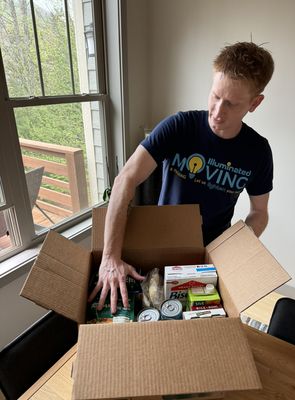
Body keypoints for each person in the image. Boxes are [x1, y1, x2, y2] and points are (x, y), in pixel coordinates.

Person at [88, 41, 275, 313]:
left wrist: (232, 254)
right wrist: (109, 257)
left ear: (255, 103)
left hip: (212, 251)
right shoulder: (180, 126)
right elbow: (125, 179)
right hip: (162, 242)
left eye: (232, 104)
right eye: (215, 96)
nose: (218, 112)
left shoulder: (258, 151)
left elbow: (259, 212)